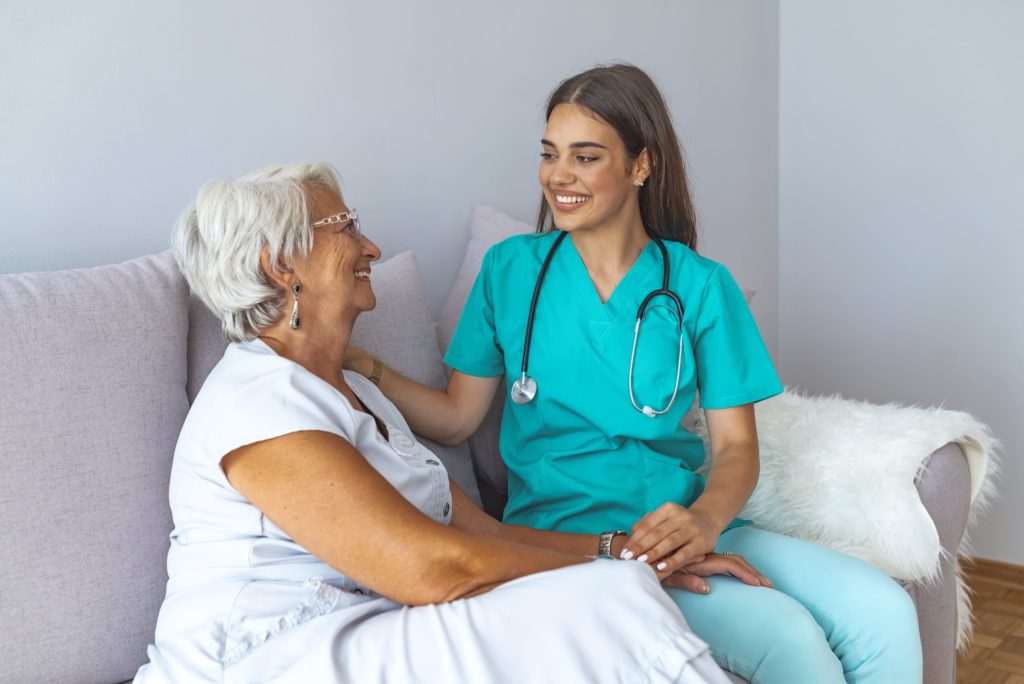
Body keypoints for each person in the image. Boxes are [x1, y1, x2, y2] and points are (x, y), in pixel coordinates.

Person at [346, 65, 923, 683]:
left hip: (681, 521)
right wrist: (360, 365)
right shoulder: (510, 271)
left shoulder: (699, 285)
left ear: (640, 166)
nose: (557, 177)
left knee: (883, 609)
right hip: (570, 538)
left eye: (585, 157)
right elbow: (457, 418)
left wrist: (704, 522)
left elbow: (735, 447)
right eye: (549, 154)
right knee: (789, 639)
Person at [133, 162, 733, 684]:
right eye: (346, 229)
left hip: (374, 633)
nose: (370, 248)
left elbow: (486, 535)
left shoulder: (358, 393)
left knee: (616, 594)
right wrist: (621, 569)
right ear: (280, 264)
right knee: (615, 596)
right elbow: (432, 569)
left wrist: (625, 550)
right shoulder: (256, 401)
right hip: (269, 661)